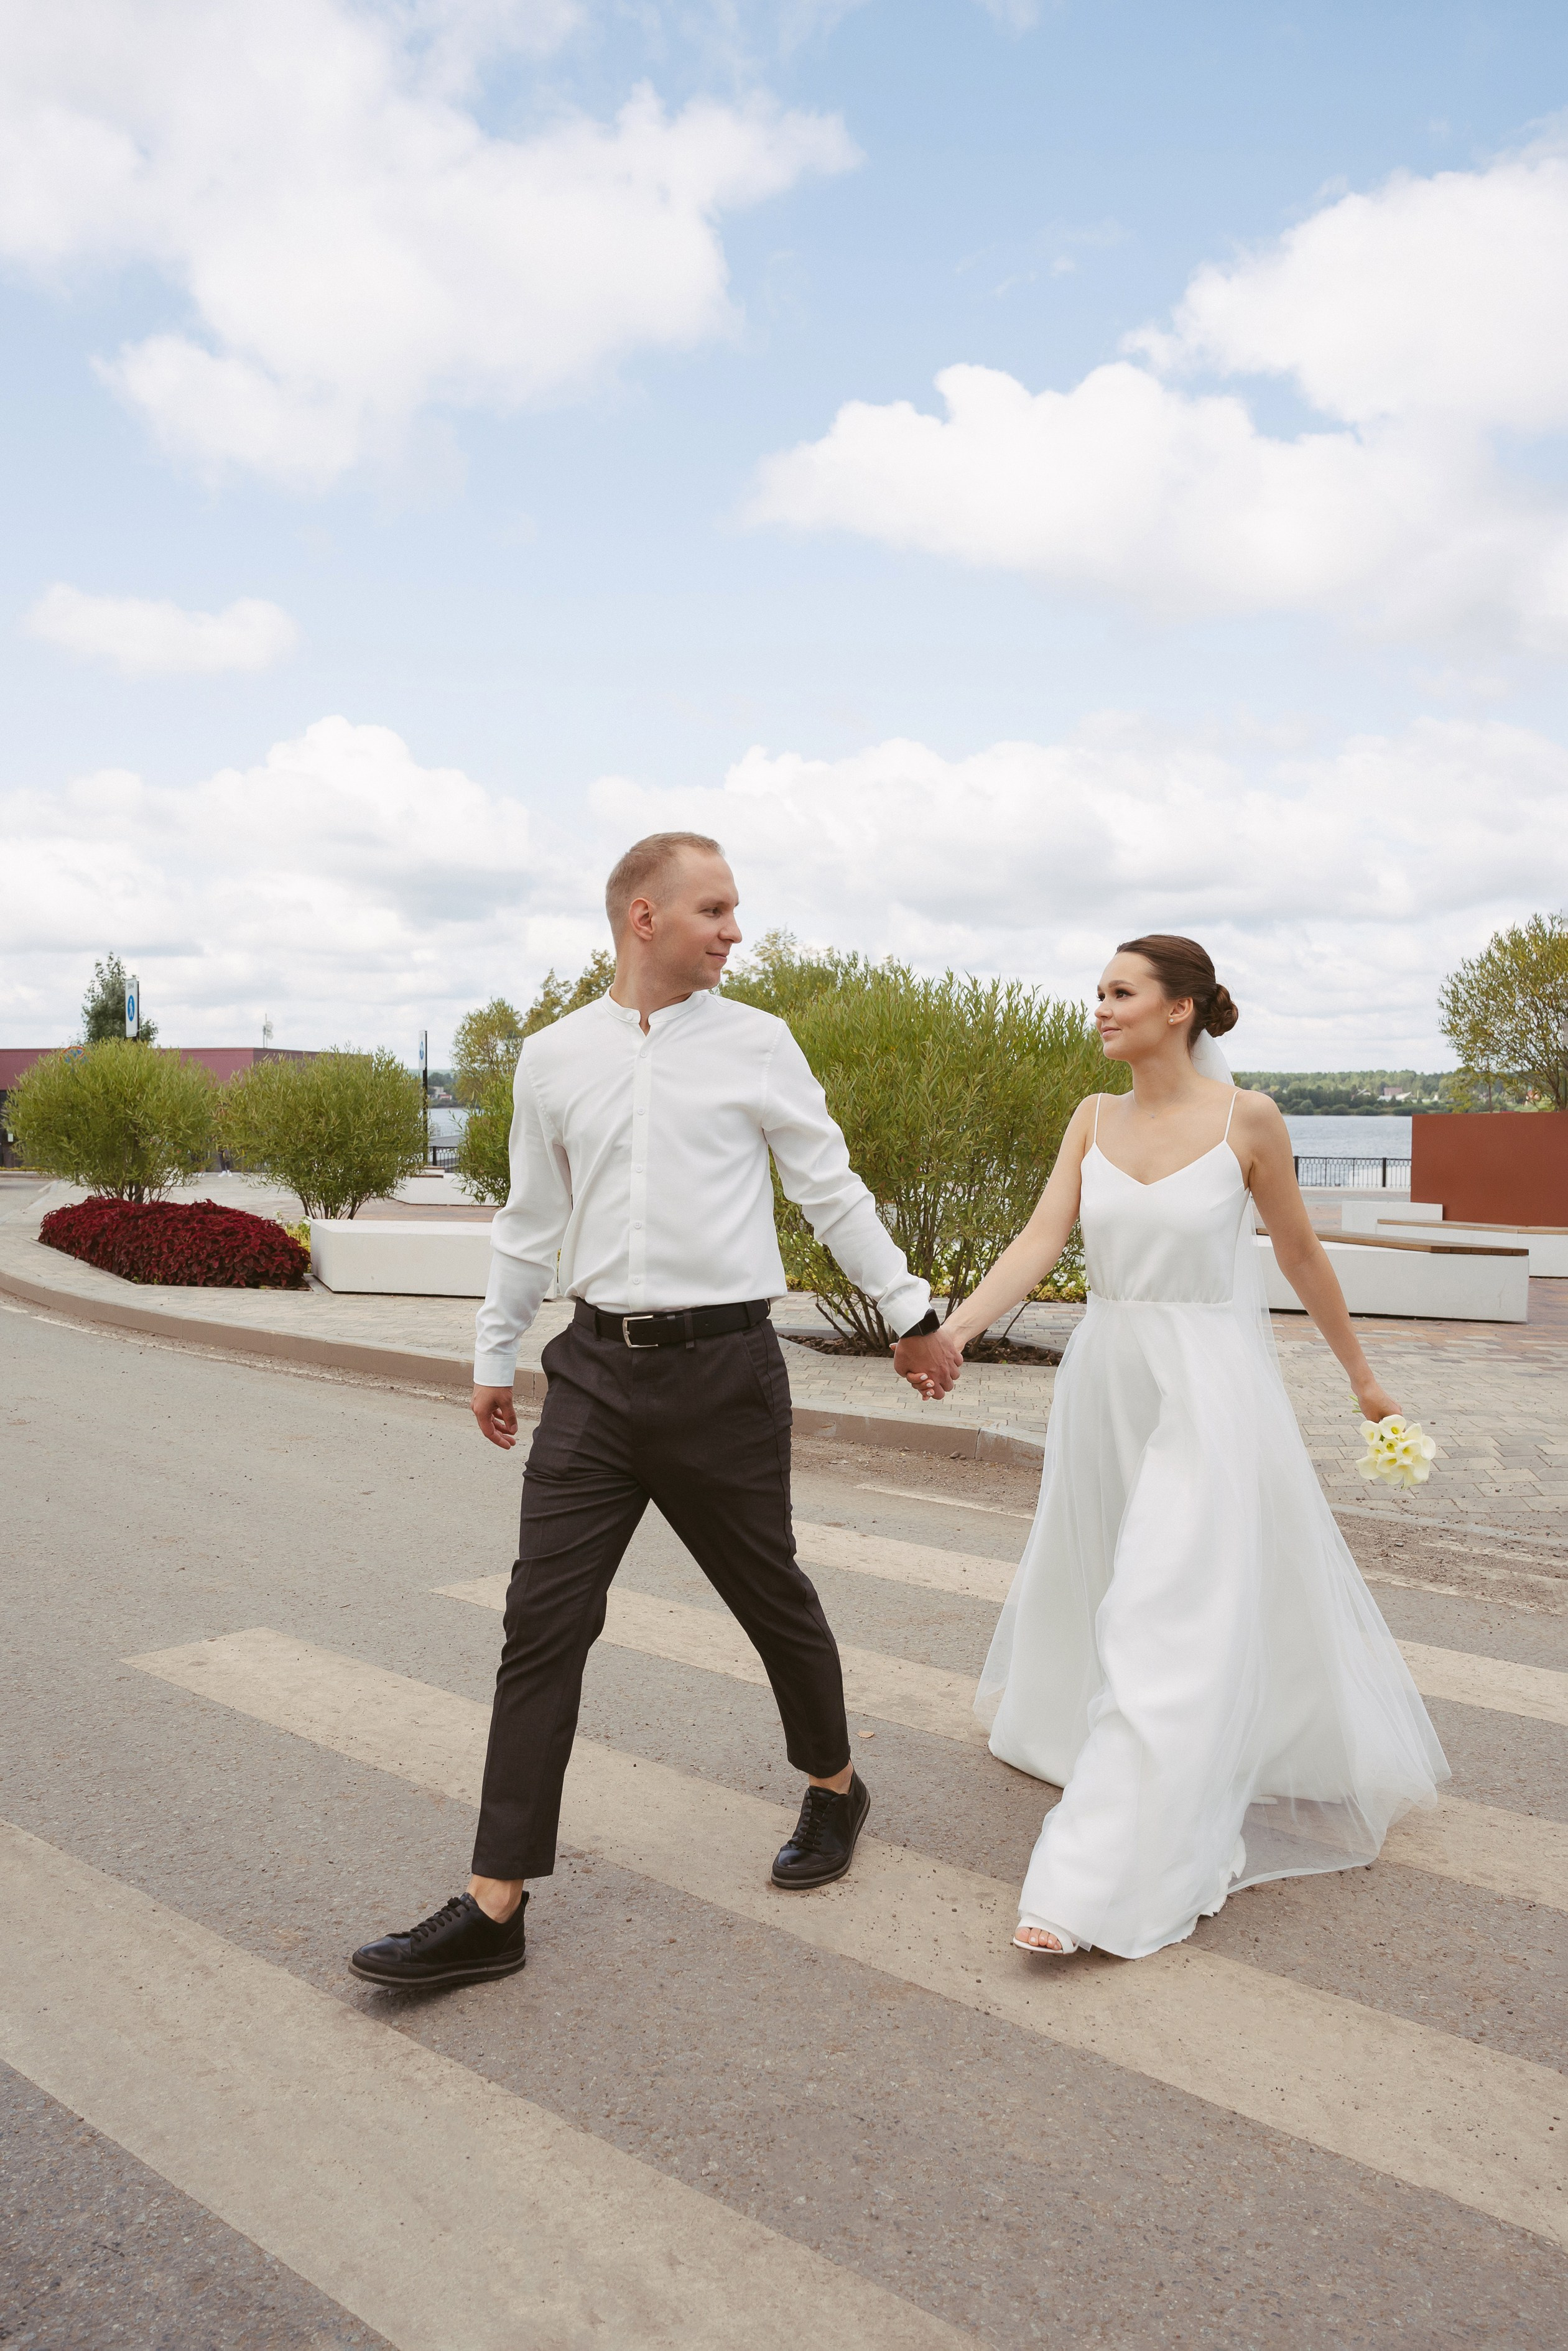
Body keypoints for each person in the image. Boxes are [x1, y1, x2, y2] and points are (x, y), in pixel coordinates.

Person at [352, 832, 949, 1989]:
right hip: (592, 1373)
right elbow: (531, 1215)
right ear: (643, 915)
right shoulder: (553, 1057)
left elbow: (828, 1186)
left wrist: (912, 1312)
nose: (735, 929)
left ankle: (834, 1786)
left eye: (735, 911)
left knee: (766, 1592)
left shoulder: (757, 1042)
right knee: (542, 1623)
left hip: (724, 1372)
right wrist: (494, 1351)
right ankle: (495, 1902)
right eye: (715, 909)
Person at [894, 935, 1449, 1962]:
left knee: (1163, 1603)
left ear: (1180, 1009)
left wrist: (1364, 1382)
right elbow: (1037, 1240)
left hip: (1207, 1389)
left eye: (1119, 993)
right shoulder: (1090, 1119)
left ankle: (1097, 1877)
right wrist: (952, 1332)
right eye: (1097, 992)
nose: (1098, 1009)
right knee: (1106, 1574)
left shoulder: (1249, 1120)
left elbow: (1295, 1251)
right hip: (1107, 1376)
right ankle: (1122, 1740)